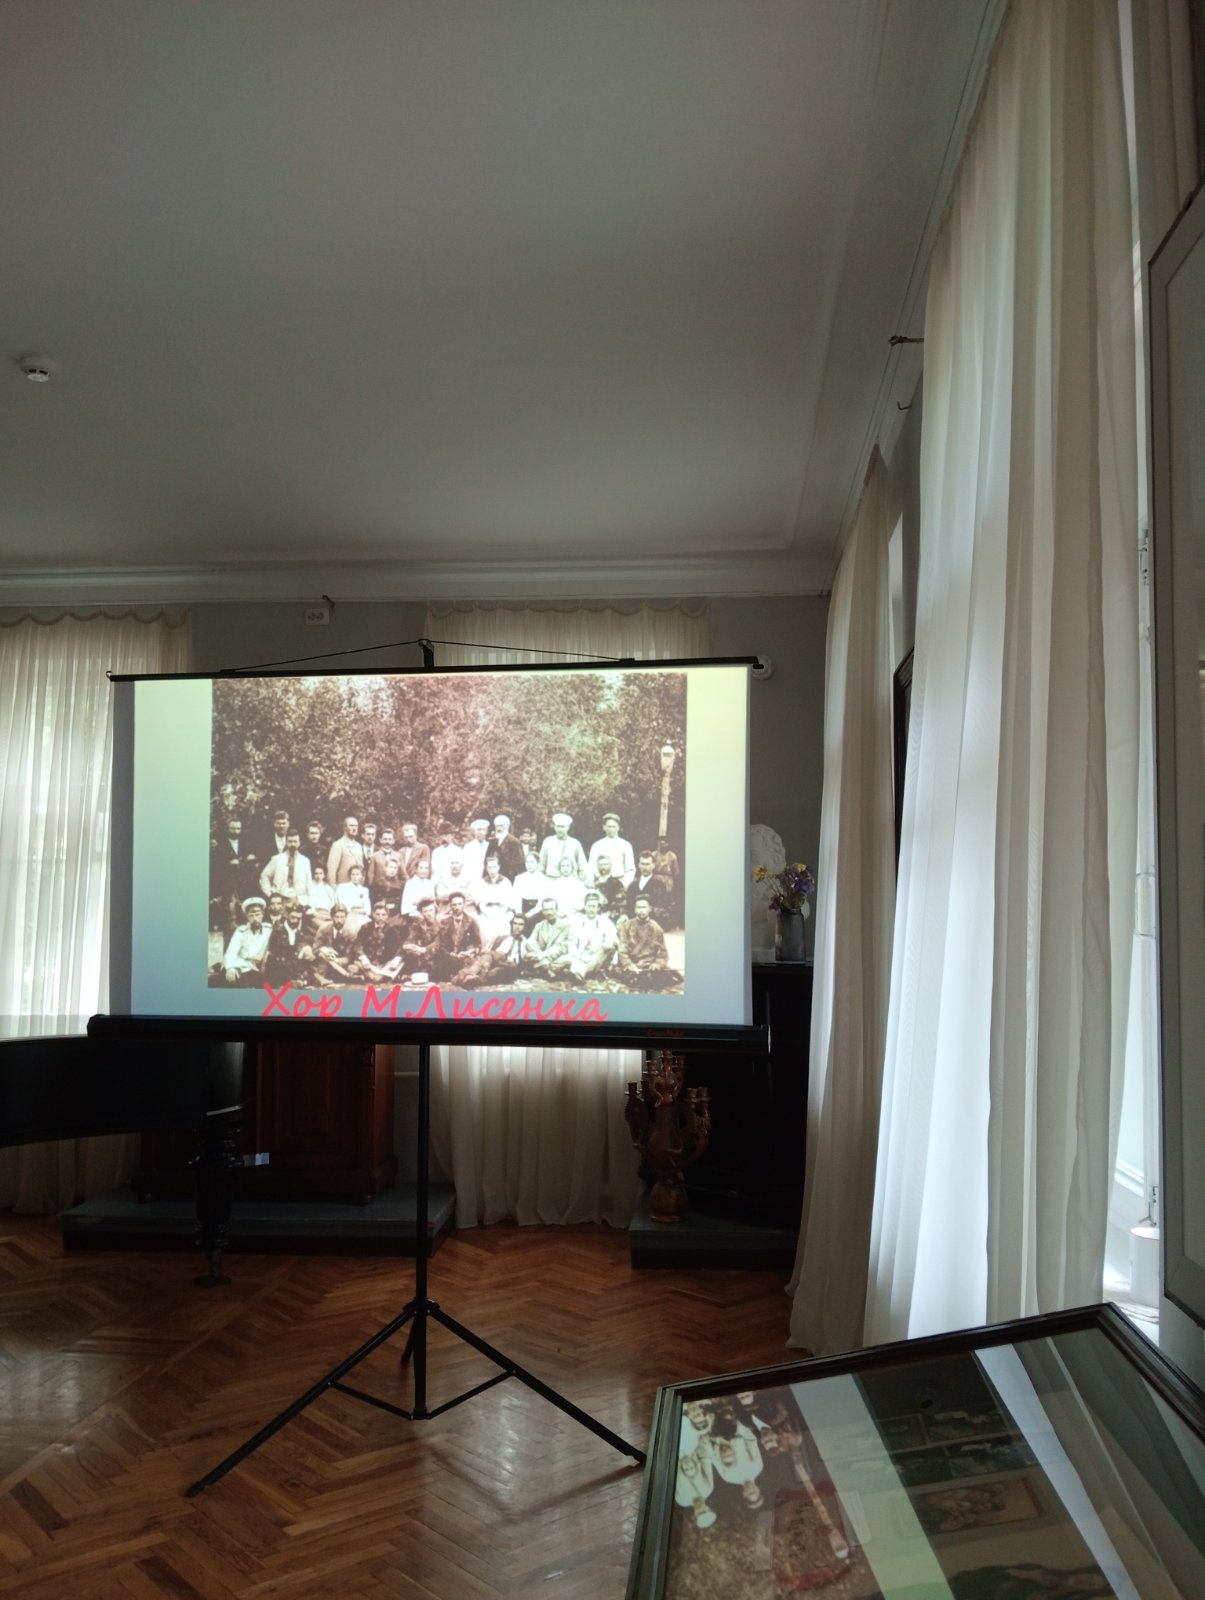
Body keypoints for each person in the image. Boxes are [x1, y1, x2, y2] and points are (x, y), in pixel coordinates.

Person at [617, 895, 675, 988]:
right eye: (638, 907)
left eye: (644, 907)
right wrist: (629, 964)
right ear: (635, 909)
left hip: (648, 965)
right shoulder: (627, 926)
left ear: (650, 909)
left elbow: (662, 954)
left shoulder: (656, 928)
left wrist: (657, 964)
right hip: (632, 964)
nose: (641, 910)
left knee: (658, 979)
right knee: (628, 979)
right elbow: (622, 950)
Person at [429, 891, 482, 982]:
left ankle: (465, 977)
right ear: (450, 906)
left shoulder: (472, 922)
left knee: (473, 964)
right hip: (449, 958)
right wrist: (451, 954)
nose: (457, 907)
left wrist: (469, 952)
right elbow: (441, 944)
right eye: (454, 905)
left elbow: (478, 944)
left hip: (465, 957)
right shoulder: (444, 922)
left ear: (464, 905)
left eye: (460, 904)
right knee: (440, 968)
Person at [566, 890, 618, 982]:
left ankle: (580, 974)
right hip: (581, 954)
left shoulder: (605, 922)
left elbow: (611, 939)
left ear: (598, 908)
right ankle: (576, 975)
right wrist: (576, 955)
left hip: (598, 955)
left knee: (605, 949)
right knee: (568, 961)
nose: (591, 909)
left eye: (594, 907)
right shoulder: (577, 922)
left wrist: (605, 946)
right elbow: (572, 941)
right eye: (589, 906)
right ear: (585, 907)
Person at [219, 896, 271, 986]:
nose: (255, 918)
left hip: (253, 967)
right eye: (251, 915)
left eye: (257, 914)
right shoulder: (241, 931)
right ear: (247, 916)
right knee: (231, 978)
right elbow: (231, 951)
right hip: (239, 963)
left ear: (262, 914)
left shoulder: (269, 929)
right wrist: (231, 967)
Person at [352, 900, 404, 983]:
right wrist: (364, 958)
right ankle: (376, 977)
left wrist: (395, 961)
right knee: (357, 964)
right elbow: (358, 945)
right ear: (373, 914)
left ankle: (377, 977)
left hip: (386, 964)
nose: (380, 918)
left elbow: (400, 947)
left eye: (383, 915)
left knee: (400, 964)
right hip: (369, 963)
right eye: (378, 914)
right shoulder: (366, 928)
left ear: (387, 916)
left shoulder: (393, 929)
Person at [265, 902, 315, 987]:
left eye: (298, 918)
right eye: (293, 917)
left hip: (293, 969)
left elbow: (302, 945)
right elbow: (279, 955)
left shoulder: (300, 933)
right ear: (287, 915)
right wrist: (300, 952)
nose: (295, 921)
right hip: (278, 970)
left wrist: (306, 951)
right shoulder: (278, 931)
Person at [474, 854, 519, 944]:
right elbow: (480, 903)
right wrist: (488, 915)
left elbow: (508, 902)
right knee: (484, 925)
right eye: (490, 867)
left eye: (494, 867)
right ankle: (486, 948)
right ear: (486, 868)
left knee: (502, 925)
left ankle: (501, 948)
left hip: (502, 911)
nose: (492, 870)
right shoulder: (482, 883)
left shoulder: (505, 882)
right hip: (487, 911)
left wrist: (499, 915)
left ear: (499, 867)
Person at [259, 828, 313, 902]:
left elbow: (309, 883)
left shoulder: (305, 861)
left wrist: (308, 901)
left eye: (295, 841)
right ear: (286, 842)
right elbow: (264, 876)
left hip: (299, 900)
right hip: (280, 899)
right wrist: (270, 894)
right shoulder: (277, 859)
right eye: (290, 841)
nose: (292, 844)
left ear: (299, 842)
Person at [312, 902, 359, 984]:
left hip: (341, 965)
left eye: (342, 917)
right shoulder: (323, 929)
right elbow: (315, 950)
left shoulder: (351, 933)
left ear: (346, 917)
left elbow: (349, 957)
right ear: (332, 917)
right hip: (324, 964)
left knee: (352, 969)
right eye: (336, 917)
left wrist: (336, 960)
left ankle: (346, 977)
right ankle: (321, 978)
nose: (339, 921)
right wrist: (325, 950)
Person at [587, 813, 636, 888]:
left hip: (619, 883)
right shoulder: (597, 845)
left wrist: (624, 884)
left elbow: (630, 869)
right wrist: (591, 882)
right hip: (600, 883)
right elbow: (590, 867)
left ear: (618, 827)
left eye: (614, 826)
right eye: (609, 826)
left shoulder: (625, 845)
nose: (611, 829)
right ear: (604, 827)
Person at [526, 898, 570, 979]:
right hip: (542, 957)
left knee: (565, 960)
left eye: (551, 909)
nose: (549, 912)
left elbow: (559, 947)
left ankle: (543, 968)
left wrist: (541, 956)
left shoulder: (565, 925)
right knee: (529, 948)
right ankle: (547, 969)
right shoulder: (539, 925)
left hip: (557, 956)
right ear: (542, 911)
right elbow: (530, 941)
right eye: (546, 910)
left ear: (557, 910)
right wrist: (542, 957)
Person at [538, 812, 588, 883]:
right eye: (558, 827)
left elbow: (582, 866)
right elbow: (541, 864)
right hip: (551, 880)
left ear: (568, 827)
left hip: (571, 881)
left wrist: (581, 882)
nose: (560, 830)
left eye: (562, 827)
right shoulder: (548, 842)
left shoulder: (575, 843)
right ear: (554, 827)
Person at [627, 850, 672, 923]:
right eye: (642, 864)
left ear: (653, 865)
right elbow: (629, 904)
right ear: (638, 865)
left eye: (647, 864)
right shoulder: (633, 884)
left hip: (654, 921)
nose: (645, 867)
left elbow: (662, 905)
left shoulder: (659, 883)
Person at [335, 863, 371, 936]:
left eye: (357, 874)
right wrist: (354, 908)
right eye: (353, 874)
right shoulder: (343, 888)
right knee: (352, 930)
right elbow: (343, 905)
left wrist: (364, 911)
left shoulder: (364, 890)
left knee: (369, 928)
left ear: (362, 876)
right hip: (349, 915)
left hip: (362, 915)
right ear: (350, 876)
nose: (355, 877)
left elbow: (367, 907)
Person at [326, 816, 365, 885]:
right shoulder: (338, 845)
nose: (354, 828)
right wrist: (333, 887)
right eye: (351, 826)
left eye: (356, 826)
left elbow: (361, 868)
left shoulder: (358, 846)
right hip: (343, 885)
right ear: (344, 827)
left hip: (357, 887)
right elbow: (331, 869)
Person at [489, 813, 526, 881]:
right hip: (495, 877)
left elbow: (519, 863)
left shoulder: (514, 842)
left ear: (507, 826)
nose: (499, 828)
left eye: (501, 826)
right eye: (497, 826)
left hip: (509, 877)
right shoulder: (493, 842)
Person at [590, 854, 626, 920]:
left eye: (605, 864)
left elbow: (619, 905)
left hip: (610, 918)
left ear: (610, 865)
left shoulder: (617, 884)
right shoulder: (593, 884)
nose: (603, 867)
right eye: (600, 865)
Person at [462, 818, 492, 882]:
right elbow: (465, 866)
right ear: (474, 832)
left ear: (486, 831)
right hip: (473, 879)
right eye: (478, 830)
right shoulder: (468, 847)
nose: (480, 832)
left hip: (488, 879)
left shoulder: (490, 846)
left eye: (482, 830)